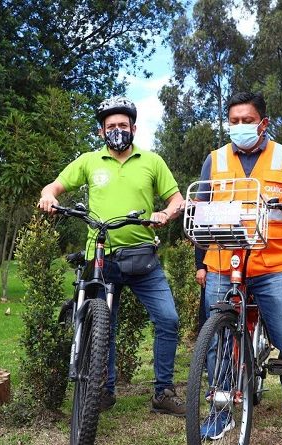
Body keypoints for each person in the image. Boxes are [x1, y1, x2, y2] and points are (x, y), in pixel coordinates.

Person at [38, 96, 186, 416]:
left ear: (133, 128)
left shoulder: (152, 161)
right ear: (102, 131)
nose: (117, 130)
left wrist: (165, 214)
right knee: (104, 325)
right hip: (101, 257)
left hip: (144, 258)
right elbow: (54, 186)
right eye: (111, 126)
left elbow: (178, 200)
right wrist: (48, 196)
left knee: (168, 319)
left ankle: (163, 392)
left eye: (123, 125)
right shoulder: (90, 161)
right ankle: (102, 391)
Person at [197, 92, 282, 442]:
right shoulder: (215, 160)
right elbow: (201, 213)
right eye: (233, 121)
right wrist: (201, 265)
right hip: (223, 263)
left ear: (263, 123)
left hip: (272, 265)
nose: (240, 126)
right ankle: (221, 408)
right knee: (217, 339)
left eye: (246, 120)